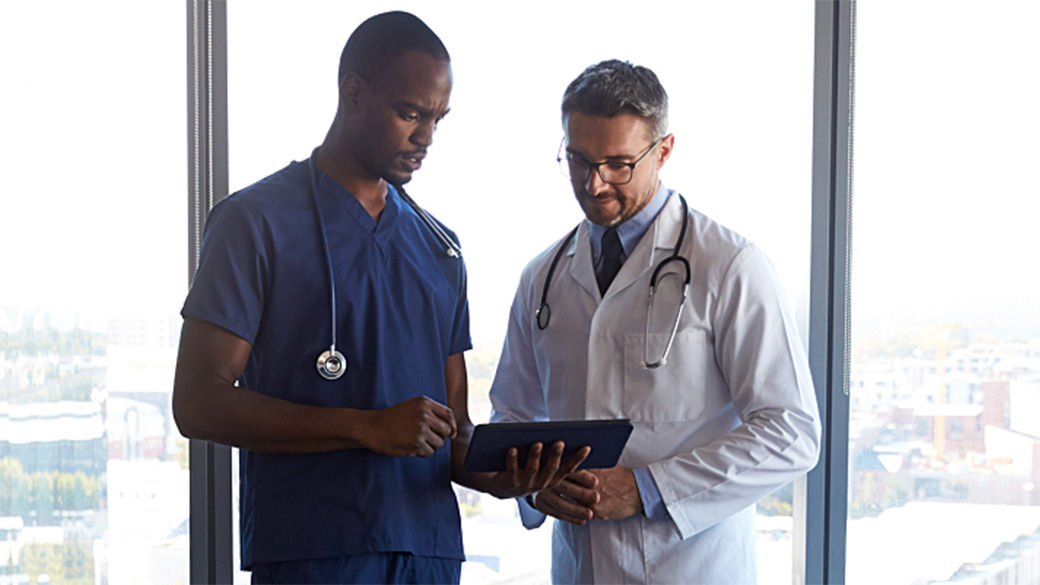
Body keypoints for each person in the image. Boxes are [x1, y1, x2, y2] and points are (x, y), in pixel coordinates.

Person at [173, 11, 584, 585]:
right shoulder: (254, 223)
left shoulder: (440, 248)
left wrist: (512, 476)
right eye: (410, 113)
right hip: (312, 554)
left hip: (429, 553)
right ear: (353, 93)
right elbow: (197, 402)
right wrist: (364, 426)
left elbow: (453, 432)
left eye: (438, 118)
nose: (426, 137)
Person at [488, 59, 822, 584]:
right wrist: (533, 485)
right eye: (578, 160)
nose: (594, 184)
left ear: (663, 151)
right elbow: (511, 414)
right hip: (578, 568)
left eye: (618, 164)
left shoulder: (729, 264)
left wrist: (650, 489)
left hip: (691, 568)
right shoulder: (543, 277)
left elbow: (791, 433)